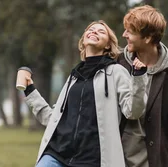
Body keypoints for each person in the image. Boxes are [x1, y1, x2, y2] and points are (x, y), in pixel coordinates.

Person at [22, 20, 148, 167]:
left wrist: (138, 78)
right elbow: (54, 119)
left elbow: (133, 111)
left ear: (108, 45)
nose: (94, 31)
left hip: (93, 159)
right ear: (84, 40)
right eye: (91, 29)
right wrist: (30, 91)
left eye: (101, 31)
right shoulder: (74, 77)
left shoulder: (116, 72)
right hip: (56, 154)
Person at [117, 5, 168, 167]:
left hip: (155, 161)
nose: (124, 35)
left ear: (148, 38)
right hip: (117, 159)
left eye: (130, 32)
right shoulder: (117, 63)